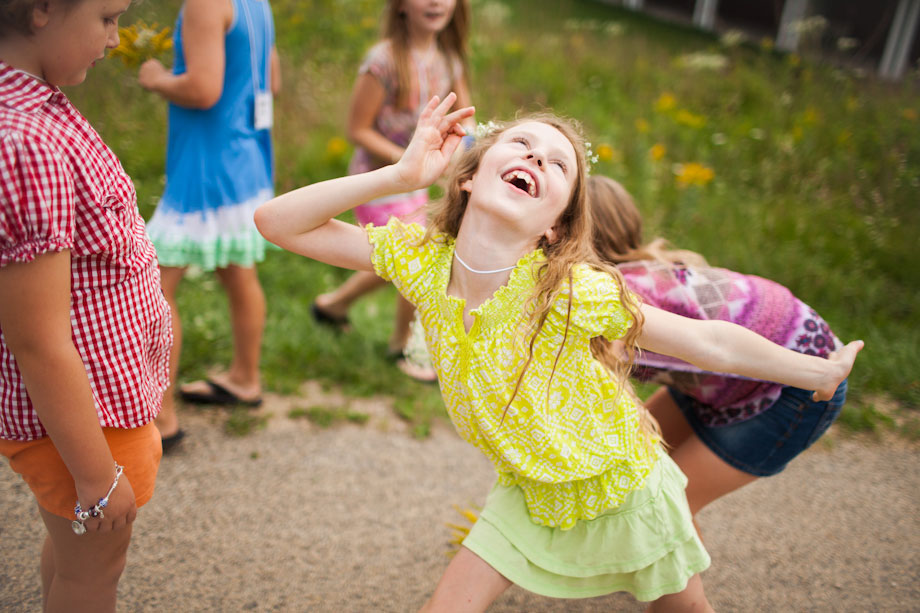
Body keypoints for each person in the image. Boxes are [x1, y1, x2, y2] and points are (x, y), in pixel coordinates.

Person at [254, 94, 862, 611]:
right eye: (521, 144)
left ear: (555, 228)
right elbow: (278, 223)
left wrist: (818, 371)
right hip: (527, 488)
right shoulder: (421, 260)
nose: (536, 158)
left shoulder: (568, 290)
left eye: (558, 164)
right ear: (469, 174)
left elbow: (707, 341)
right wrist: (398, 177)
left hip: (624, 485)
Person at [0, 1, 172, 609]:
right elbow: (37, 339)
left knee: (76, 553)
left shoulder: (39, 106)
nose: (116, 36)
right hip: (85, 420)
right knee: (93, 573)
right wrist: (96, 479)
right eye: (105, 17)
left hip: (100, 407)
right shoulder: (25, 141)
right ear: (43, 9)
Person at [587, 174, 854, 526]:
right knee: (626, 478)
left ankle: (672, 578)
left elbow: (596, 392)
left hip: (793, 387)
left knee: (665, 507)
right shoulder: (647, 271)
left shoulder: (616, 295)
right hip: (726, 376)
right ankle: (644, 573)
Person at [137, 0, 281, 449]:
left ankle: (160, 418)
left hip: (205, 169)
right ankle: (245, 378)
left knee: (155, 285)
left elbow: (202, 89)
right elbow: (272, 80)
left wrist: (156, 78)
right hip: (245, 157)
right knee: (239, 272)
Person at [310, 0, 472, 383]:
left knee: (406, 252)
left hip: (422, 180)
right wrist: (407, 164)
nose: (436, 2)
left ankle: (334, 305)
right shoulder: (381, 61)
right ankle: (401, 344)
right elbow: (357, 129)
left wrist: (468, 157)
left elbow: (468, 118)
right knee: (415, 250)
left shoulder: (449, 60)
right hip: (378, 181)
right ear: (400, 6)